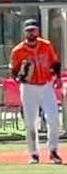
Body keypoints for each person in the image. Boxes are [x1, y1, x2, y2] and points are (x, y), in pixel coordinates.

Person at [10, 19, 62, 165]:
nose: (31, 33)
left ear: (37, 31)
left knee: (53, 119)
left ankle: (53, 151)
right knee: (30, 122)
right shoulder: (18, 50)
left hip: (46, 85)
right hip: (29, 87)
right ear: (25, 32)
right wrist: (21, 76)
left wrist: (57, 78)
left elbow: (55, 63)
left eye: (33, 30)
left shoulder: (46, 46)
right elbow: (13, 72)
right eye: (28, 30)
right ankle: (33, 154)